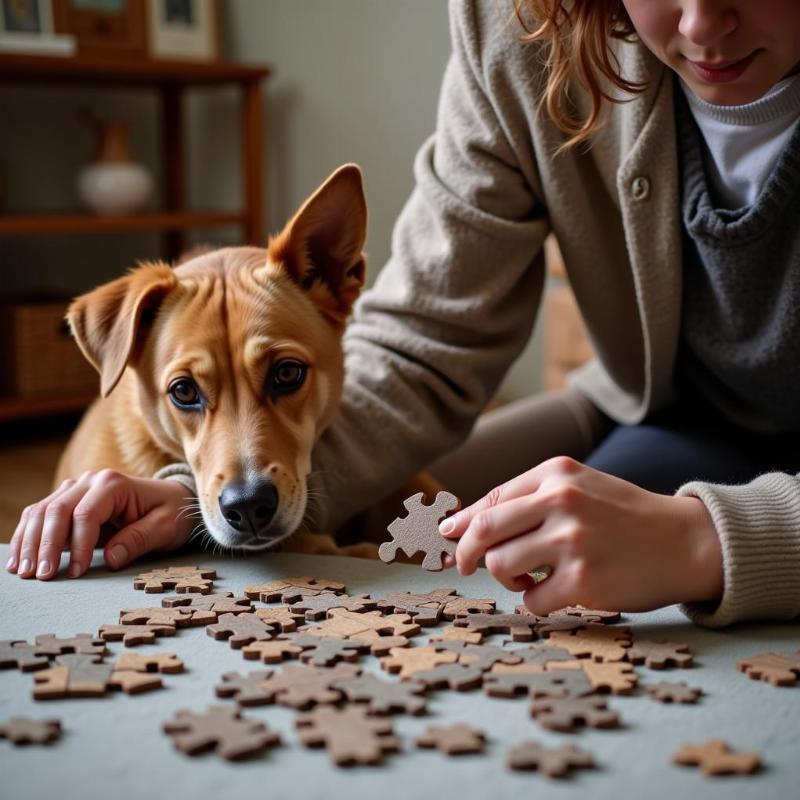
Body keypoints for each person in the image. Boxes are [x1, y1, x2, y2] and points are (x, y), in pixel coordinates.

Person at [8, 0, 800, 629]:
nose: (702, 24)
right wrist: (188, 499)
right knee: (484, 552)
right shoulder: (521, 29)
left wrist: (714, 541)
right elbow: (426, 339)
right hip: (668, 412)